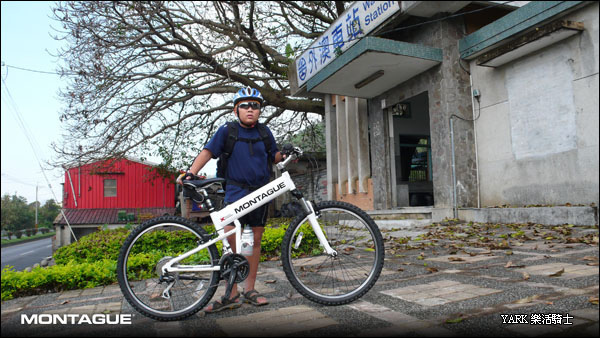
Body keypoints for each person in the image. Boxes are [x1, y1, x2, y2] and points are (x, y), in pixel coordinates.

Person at [178, 87, 284, 313]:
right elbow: (208, 151)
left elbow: (274, 156)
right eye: (245, 105)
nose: (250, 109)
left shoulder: (265, 132)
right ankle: (232, 292)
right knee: (231, 241)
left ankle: (250, 290)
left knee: (255, 241)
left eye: (255, 106)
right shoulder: (228, 131)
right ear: (236, 110)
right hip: (235, 192)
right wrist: (191, 172)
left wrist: (286, 153)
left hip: (260, 192)